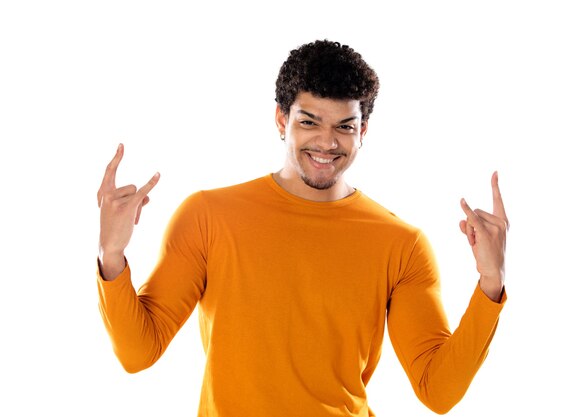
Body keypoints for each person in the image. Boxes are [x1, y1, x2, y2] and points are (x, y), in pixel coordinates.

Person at [96, 39, 508, 416]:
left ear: (362, 131)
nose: (327, 143)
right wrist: (111, 256)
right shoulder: (208, 216)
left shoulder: (402, 244)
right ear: (281, 119)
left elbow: (437, 390)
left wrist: (490, 282)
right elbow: (139, 353)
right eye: (309, 122)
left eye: (344, 126)